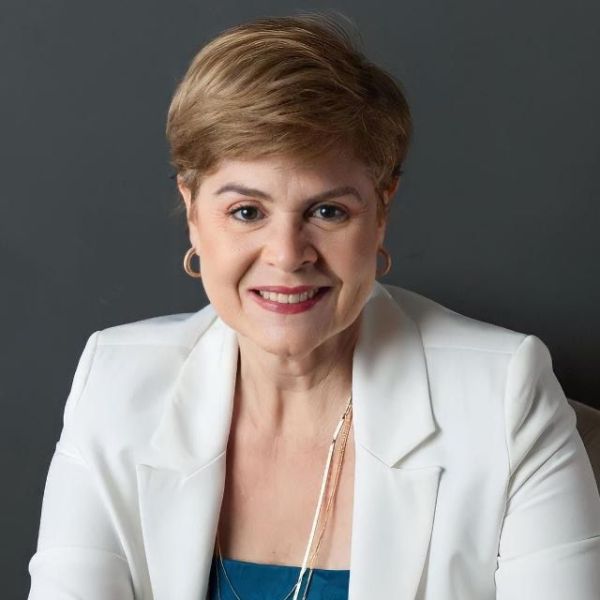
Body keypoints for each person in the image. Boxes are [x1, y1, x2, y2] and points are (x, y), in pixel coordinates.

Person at [28, 13, 600, 600]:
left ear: (381, 211)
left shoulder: (504, 395)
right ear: (193, 211)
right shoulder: (114, 383)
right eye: (247, 212)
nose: (286, 254)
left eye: (328, 211)